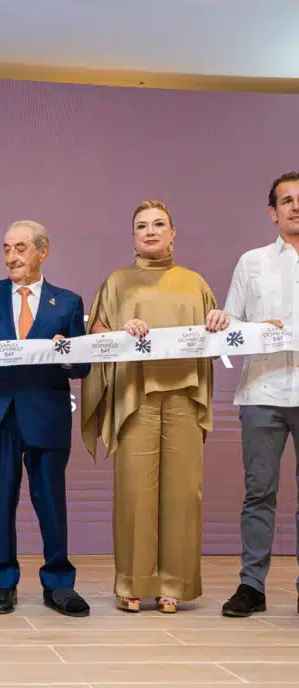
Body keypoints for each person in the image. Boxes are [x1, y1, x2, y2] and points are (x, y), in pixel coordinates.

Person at [81, 200, 229, 614]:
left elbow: (216, 338)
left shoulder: (195, 283)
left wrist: (220, 321)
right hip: (135, 395)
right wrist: (120, 330)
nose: (150, 231)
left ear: (173, 233)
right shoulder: (117, 282)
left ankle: (174, 585)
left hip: (185, 394)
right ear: (133, 236)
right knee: (134, 491)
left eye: (158, 224)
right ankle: (132, 581)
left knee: (184, 492)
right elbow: (96, 332)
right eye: (142, 226)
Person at [0, 220, 91, 616]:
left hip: (46, 416)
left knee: (51, 502)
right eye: (6, 248)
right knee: (1, 501)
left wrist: (66, 354)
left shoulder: (68, 302)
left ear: (43, 252)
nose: (11, 256)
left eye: (20, 248)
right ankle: (2, 583)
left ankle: (59, 584)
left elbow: (82, 366)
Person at [221, 172, 299, 617]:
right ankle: (252, 586)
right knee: (259, 493)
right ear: (273, 212)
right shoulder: (252, 262)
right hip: (262, 392)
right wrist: (254, 330)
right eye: (286, 200)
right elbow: (230, 324)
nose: (295, 206)